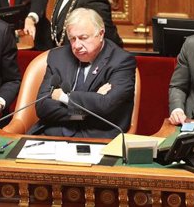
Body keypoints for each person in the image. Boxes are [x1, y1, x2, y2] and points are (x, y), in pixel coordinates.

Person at [30, 8, 136, 139]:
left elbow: (106, 106)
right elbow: (42, 107)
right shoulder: (57, 56)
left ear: (101, 33)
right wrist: (91, 102)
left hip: (97, 137)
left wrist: (63, 97)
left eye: (83, 38)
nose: (77, 45)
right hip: (54, 134)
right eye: (72, 39)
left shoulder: (121, 61)